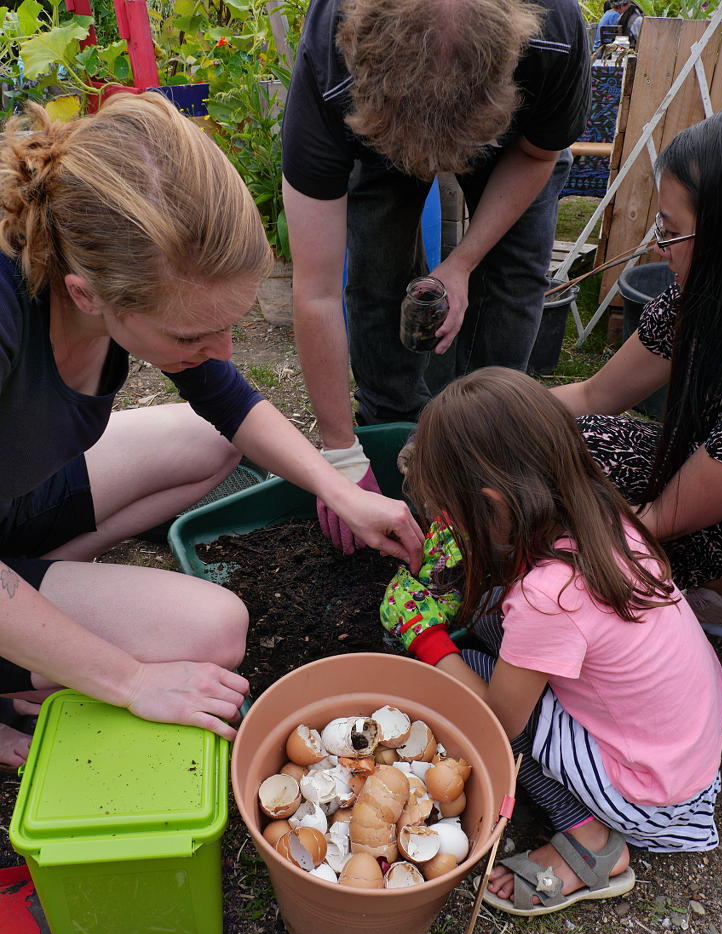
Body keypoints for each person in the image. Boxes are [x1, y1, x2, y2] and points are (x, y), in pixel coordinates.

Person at [0, 93, 423, 768]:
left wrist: (341, 485)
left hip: (12, 499)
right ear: (86, 295)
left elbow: (224, 398)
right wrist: (132, 679)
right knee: (216, 629)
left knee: (214, 439)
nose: (222, 352)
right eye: (193, 333)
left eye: (231, 323)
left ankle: (41, 593)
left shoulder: (100, 257)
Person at [382, 367, 722, 915]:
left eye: (454, 514)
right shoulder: (602, 514)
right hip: (684, 741)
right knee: (496, 622)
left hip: (651, 787)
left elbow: (499, 719)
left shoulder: (550, 595)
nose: (445, 524)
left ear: (494, 506)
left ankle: (590, 840)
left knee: (470, 671)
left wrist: (425, 637)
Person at [281, 0, 591, 553]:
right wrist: (340, 458)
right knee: (376, 278)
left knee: (514, 280)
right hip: (375, 130)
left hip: (512, 145)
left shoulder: (555, 35)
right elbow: (316, 290)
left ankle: (492, 444)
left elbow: (538, 155)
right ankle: (389, 428)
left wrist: (463, 263)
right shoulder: (331, 67)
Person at [551, 106, 722, 638]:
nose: (659, 244)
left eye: (672, 231)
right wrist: (487, 420)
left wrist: (563, 558)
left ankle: (720, 593)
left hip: (714, 517)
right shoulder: (694, 300)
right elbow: (592, 396)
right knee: (568, 441)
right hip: (701, 488)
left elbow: (657, 518)